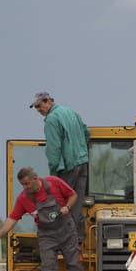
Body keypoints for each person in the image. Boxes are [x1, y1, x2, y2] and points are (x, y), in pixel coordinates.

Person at [0, 166, 86, 271]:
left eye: (27, 183)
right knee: (47, 266)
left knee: (74, 264)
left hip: (66, 230)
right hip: (46, 235)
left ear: (36, 179)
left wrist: (67, 207)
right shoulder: (23, 198)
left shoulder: (54, 182)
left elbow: (73, 195)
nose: (25, 187)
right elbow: (12, 219)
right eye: (22, 184)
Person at [30, 91, 90, 236]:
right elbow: (86, 133)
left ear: (48, 101)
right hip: (82, 163)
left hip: (67, 167)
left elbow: (53, 149)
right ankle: (78, 240)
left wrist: (53, 174)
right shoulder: (71, 112)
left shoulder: (52, 119)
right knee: (76, 204)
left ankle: (61, 240)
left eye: (39, 106)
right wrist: (80, 149)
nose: (38, 110)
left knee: (59, 204)